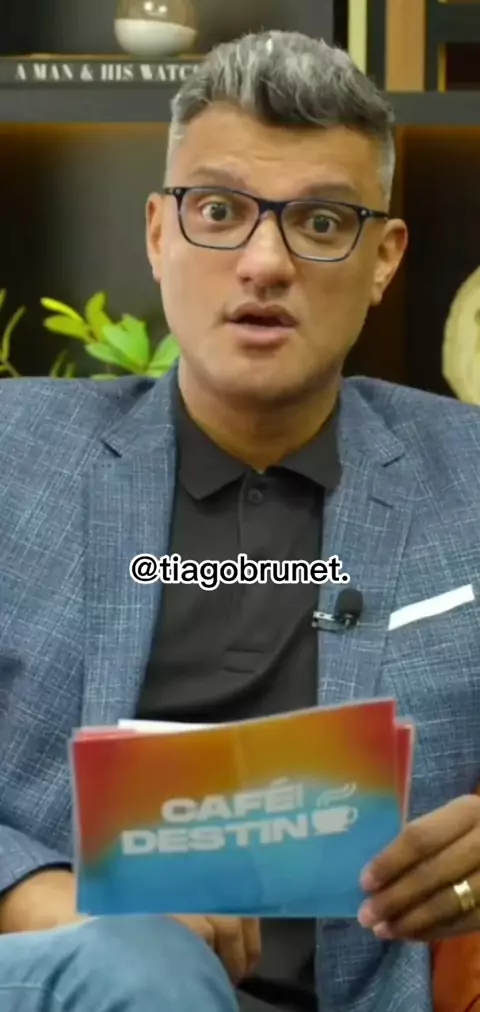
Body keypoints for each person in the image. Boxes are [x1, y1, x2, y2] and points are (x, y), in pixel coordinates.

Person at [0, 27, 480, 1012]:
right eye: (220, 211)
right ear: (158, 234)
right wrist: (42, 898)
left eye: (321, 222)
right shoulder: (16, 455)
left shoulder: (466, 475)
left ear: (384, 258)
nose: (264, 263)